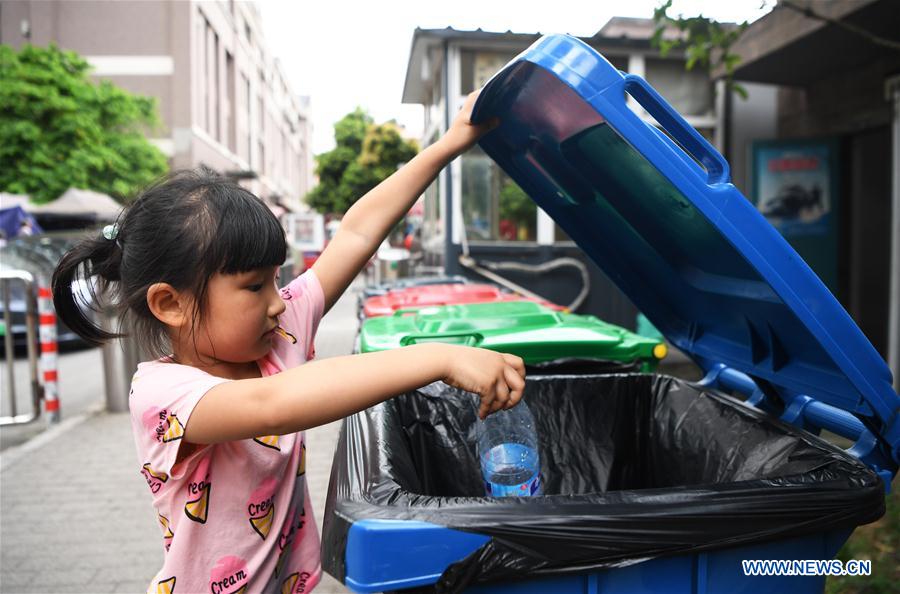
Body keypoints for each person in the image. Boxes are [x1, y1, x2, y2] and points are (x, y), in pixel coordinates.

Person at [50, 90, 523, 593]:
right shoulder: (162, 396)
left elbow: (358, 233)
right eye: (254, 286)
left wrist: (450, 143)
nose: (278, 301)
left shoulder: (276, 333)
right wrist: (439, 357)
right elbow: (273, 405)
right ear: (171, 304)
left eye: (278, 280)